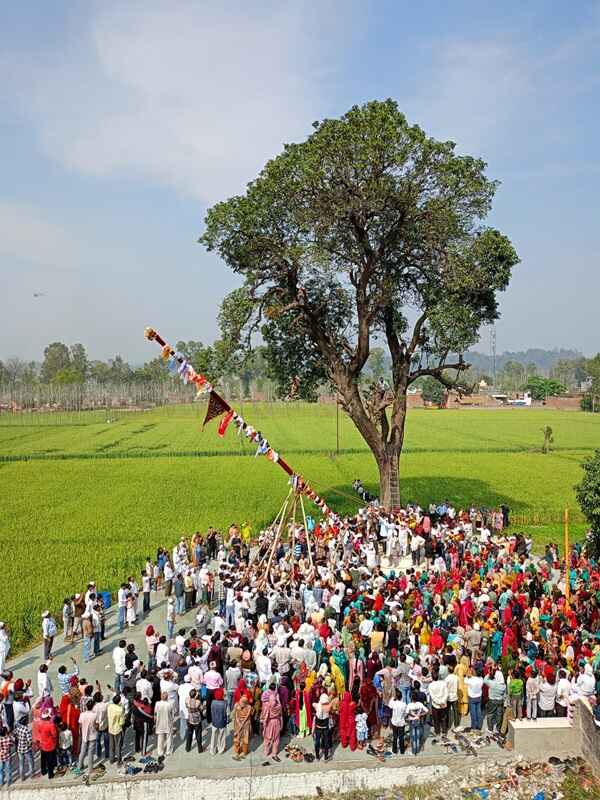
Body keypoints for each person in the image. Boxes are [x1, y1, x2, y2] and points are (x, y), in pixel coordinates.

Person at [260, 682, 283, 762]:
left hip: (270, 723)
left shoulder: (268, 706)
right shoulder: (279, 706)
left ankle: (266, 752)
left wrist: (264, 725)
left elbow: (266, 717)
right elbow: (280, 716)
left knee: (267, 738)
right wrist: (281, 724)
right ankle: (274, 753)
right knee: (276, 739)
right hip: (277, 722)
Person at [77, 698, 97, 778]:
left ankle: (79, 766)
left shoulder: (82, 714)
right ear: (92, 707)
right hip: (92, 735)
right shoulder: (94, 715)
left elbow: (80, 725)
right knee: (90, 753)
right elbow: (96, 725)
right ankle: (90, 769)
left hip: (84, 735)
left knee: (82, 751)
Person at [38, 708, 58, 780]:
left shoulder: (40, 723)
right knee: (50, 760)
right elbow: (54, 735)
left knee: (43, 759)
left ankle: (43, 771)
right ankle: (50, 774)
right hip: (50, 744)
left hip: (42, 743)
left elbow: (39, 731)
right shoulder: (51, 725)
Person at [232, 694, 252, 760]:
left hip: (246, 724)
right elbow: (235, 716)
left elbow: (247, 717)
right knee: (237, 738)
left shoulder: (249, 707)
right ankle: (236, 752)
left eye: (243, 703)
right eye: (240, 702)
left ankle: (244, 752)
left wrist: (242, 724)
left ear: (246, 703)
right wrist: (239, 723)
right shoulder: (236, 705)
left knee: (245, 739)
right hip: (237, 724)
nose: (241, 704)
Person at [15, 715, 35, 781]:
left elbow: (15, 735)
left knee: (21, 763)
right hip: (26, 749)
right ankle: (32, 775)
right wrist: (29, 745)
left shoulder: (18, 728)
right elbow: (30, 740)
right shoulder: (26, 729)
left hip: (19, 748)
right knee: (30, 762)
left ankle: (22, 777)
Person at [155, 691, 174, 758]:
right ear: (167, 697)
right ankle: (168, 751)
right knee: (169, 738)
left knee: (160, 739)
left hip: (159, 723)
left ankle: (160, 752)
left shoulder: (157, 704)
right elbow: (172, 715)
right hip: (168, 723)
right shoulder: (170, 704)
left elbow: (155, 713)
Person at [209, 687, 228, 755]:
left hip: (214, 722)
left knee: (213, 737)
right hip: (222, 722)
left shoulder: (213, 702)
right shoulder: (224, 703)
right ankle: (221, 749)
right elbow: (226, 714)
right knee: (222, 737)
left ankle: (212, 750)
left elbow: (212, 712)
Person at [313, 693, 331, 761]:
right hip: (325, 727)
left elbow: (313, 704)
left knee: (317, 741)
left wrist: (319, 702)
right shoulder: (328, 706)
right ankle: (326, 756)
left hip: (318, 727)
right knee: (326, 741)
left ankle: (317, 756)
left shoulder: (317, 706)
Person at [107, 694, 125, 765]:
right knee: (118, 745)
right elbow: (122, 722)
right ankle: (119, 761)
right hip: (117, 729)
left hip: (110, 729)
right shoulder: (120, 709)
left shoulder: (109, 707)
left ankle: (111, 759)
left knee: (111, 745)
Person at [389, 689, 407, 755]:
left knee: (395, 736)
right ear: (401, 697)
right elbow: (406, 713)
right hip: (401, 722)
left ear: (396, 697)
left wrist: (392, 698)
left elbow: (389, 705)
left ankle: (394, 750)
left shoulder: (394, 703)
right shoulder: (404, 704)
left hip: (394, 722)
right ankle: (402, 751)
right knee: (401, 737)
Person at [185, 688, 203, 753]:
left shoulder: (187, 700)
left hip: (190, 719)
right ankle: (200, 749)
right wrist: (197, 697)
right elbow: (201, 709)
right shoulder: (198, 702)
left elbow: (187, 706)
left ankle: (188, 747)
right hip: (197, 720)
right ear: (195, 695)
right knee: (198, 734)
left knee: (189, 733)